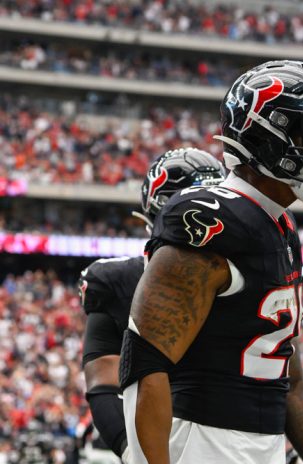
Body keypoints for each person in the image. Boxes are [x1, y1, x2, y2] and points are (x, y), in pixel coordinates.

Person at [119, 60, 303, 464]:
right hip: (202, 440)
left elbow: (289, 369)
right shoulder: (211, 218)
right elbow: (144, 364)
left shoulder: (280, 222)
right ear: (265, 136)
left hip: (263, 444)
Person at [79, 147, 227, 463]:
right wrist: (133, 451)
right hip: (158, 438)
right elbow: (103, 385)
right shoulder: (117, 280)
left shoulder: (253, 271)